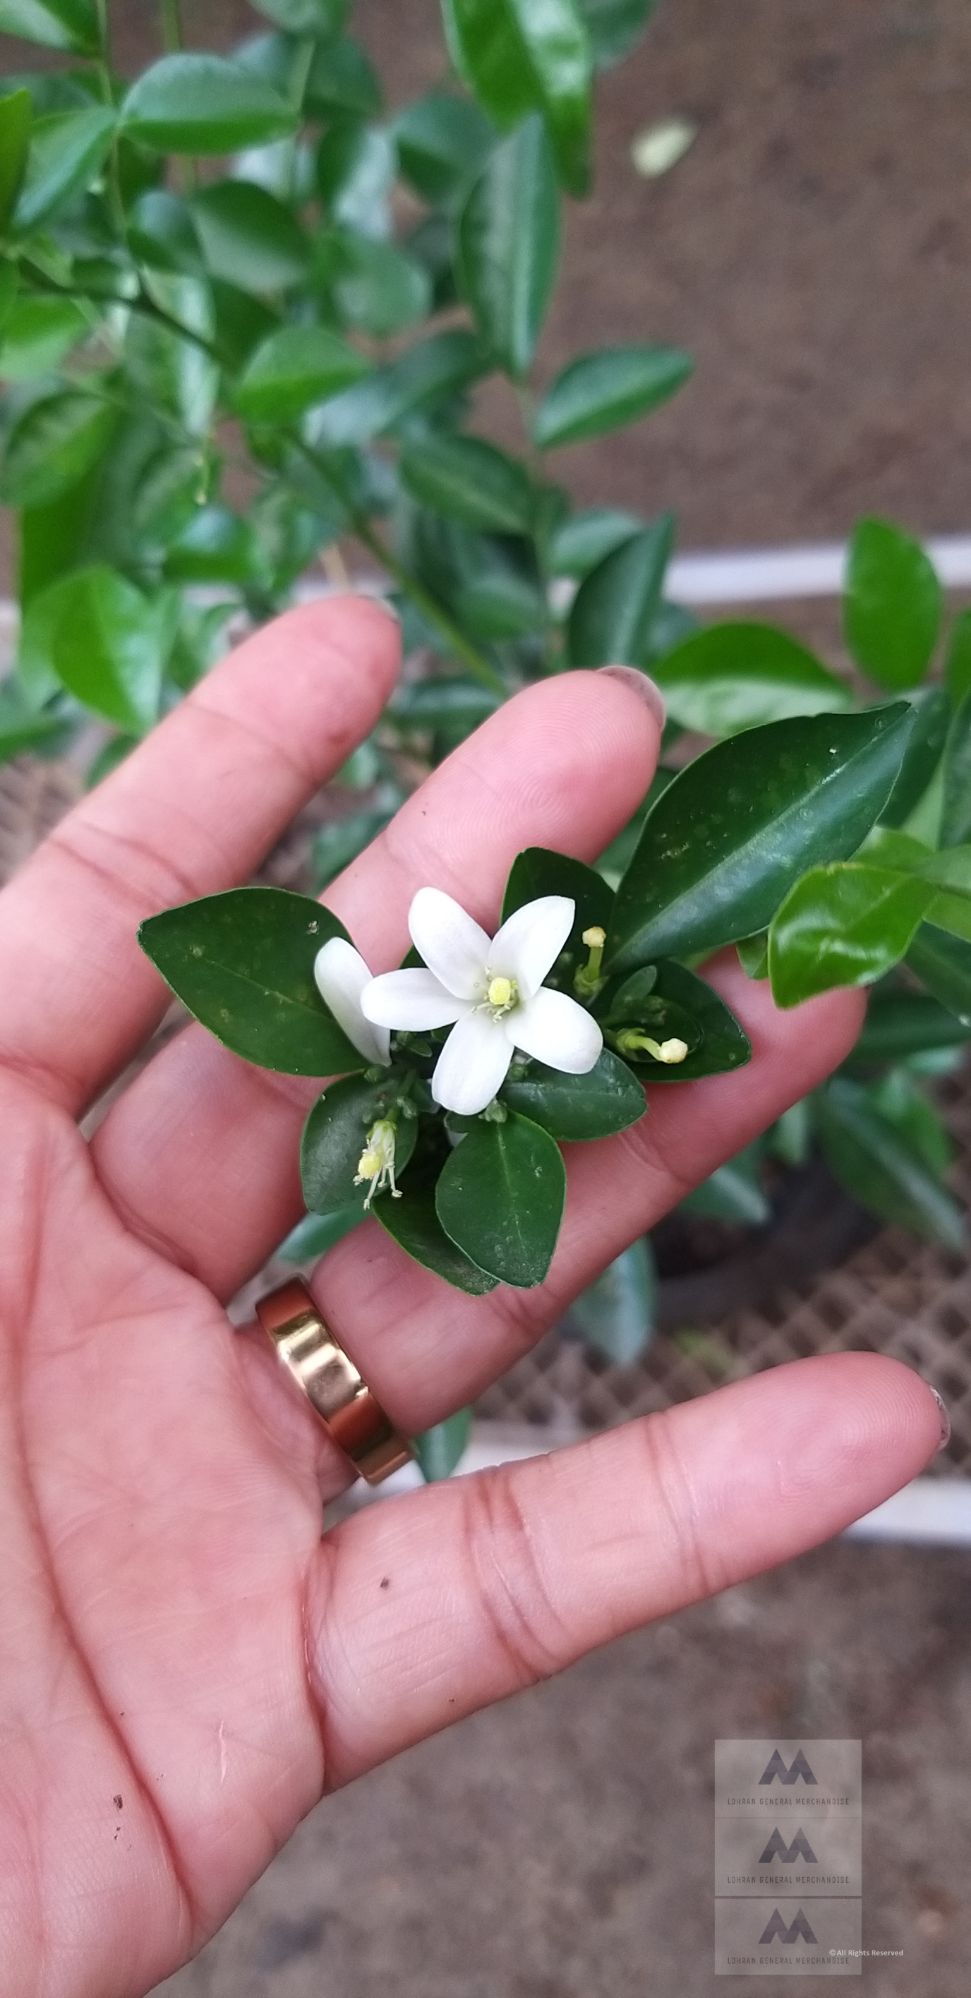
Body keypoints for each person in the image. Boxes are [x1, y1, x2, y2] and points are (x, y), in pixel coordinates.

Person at [0, 597, 945, 1997]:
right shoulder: (453, 1039)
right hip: (463, 1047)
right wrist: (455, 1065)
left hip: (505, 1031)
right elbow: (462, 1041)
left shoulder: (508, 1009)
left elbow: (513, 1012)